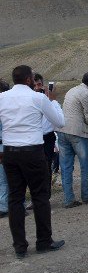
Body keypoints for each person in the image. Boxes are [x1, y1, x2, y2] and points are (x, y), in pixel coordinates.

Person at [0, 65, 65, 258]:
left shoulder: (2, 98)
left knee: (15, 198)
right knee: (40, 196)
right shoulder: (38, 98)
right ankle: (44, 241)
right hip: (33, 152)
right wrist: (52, 101)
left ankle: (20, 246)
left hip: (10, 152)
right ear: (29, 79)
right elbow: (59, 122)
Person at [57, 72, 88, 208]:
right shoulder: (87, 94)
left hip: (62, 130)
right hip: (77, 132)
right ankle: (86, 195)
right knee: (85, 165)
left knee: (66, 167)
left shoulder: (72, 89)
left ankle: (69, 199)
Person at [33, 74, 58, 191]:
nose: (37, 87)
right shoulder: (29, 98)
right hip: (33, 137)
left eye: (39, 84)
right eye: (35, 85)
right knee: (33, 168)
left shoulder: (47, 99)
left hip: (47, 137)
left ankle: (45, 195)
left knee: (46, 167)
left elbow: (57, 117)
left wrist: (51, 99)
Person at [0, 79, 10, 218]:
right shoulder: (5, 105)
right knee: (12, 178)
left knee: (2, 179)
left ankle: (3, 205)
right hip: (6, 145)